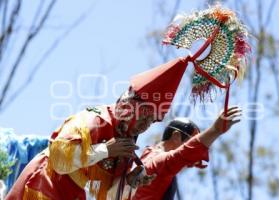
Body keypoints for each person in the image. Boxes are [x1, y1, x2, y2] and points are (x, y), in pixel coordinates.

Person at [5, 57, 193, 200]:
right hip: (42, 188)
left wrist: (129, 181)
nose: (145, 126)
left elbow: (107, 195)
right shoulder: (95, 120)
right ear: (130, 105)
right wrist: (104, 150)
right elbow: (59, 156)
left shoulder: (126, 146)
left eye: (151, 121)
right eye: (144, 115)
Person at [127, 106, 241, 200]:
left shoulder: (146, 157)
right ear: (176, 136)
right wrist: (215, 130)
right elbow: (184, 154)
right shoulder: (158, 162)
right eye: (189, 140)